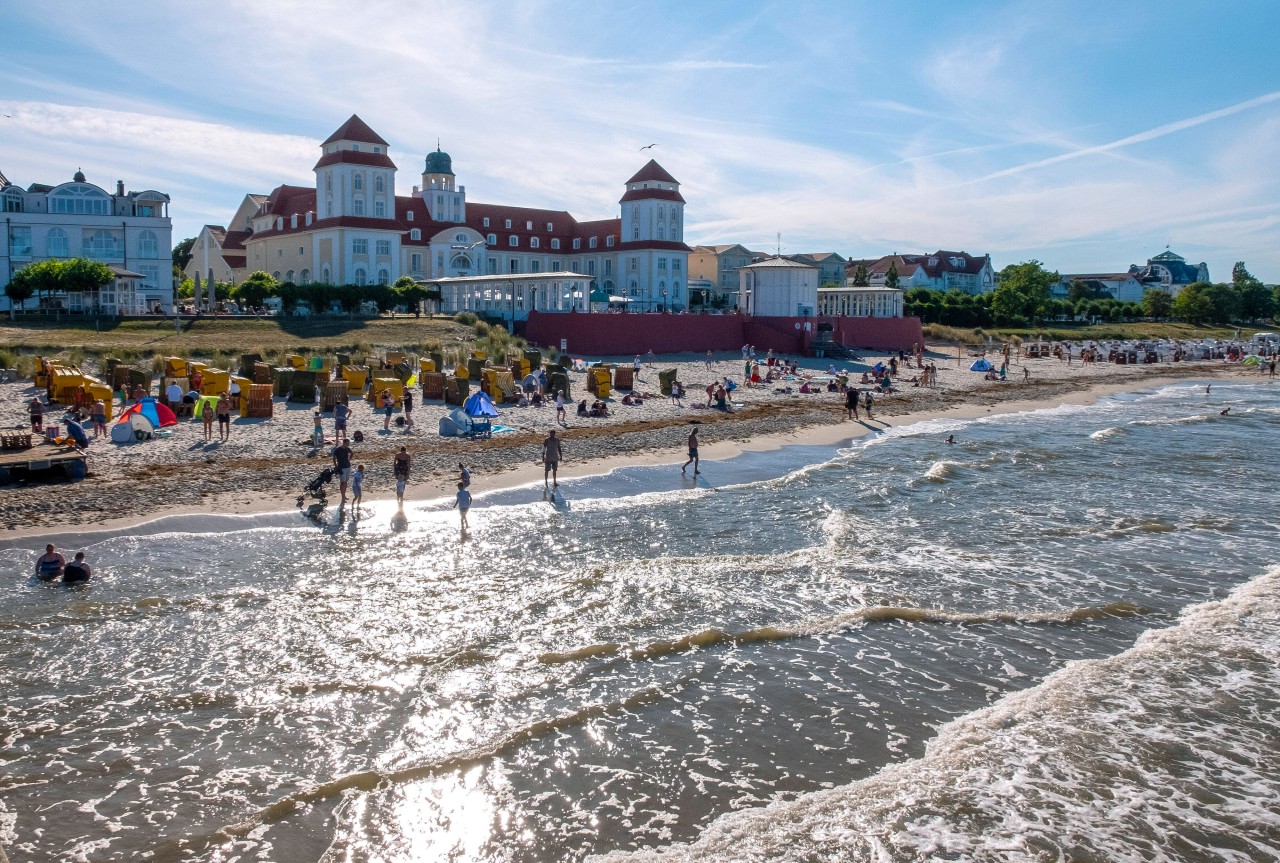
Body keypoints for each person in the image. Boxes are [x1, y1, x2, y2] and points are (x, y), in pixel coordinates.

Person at [332, 436, 353, 504]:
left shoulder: (347, 449)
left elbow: (352, 453)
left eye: (348, 444)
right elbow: (334, 458)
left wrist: (349, 459)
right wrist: (336, 466)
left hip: (348, 467)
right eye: (346, 443)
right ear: (343, 443)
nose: (347, 445)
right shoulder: (338, 450)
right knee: (342, 483)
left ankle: (344, 495)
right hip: (342, 468)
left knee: (345, 482)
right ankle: (343, 497)